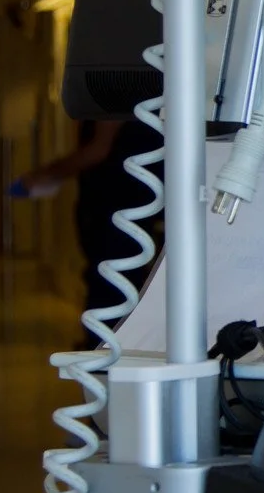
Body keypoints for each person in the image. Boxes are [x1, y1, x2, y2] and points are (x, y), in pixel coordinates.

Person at [17, 119, 163, 347]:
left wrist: (48, 173)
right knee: (112, 279)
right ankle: (106, 348)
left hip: (118, 208)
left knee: (112, 282)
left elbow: (99, 148)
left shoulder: (117, 95)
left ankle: (106, 350)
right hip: (115, 208)